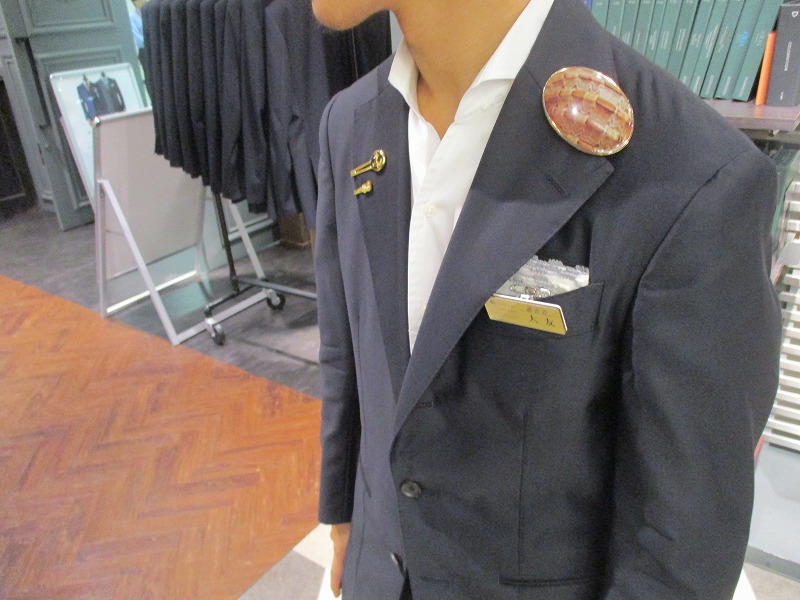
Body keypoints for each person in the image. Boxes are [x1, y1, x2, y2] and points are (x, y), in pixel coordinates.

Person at [311, 0, 782, 598]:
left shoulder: (692, 177)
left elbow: (679, 545)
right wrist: (343, 522)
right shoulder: (349, 122)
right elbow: (348, 353)